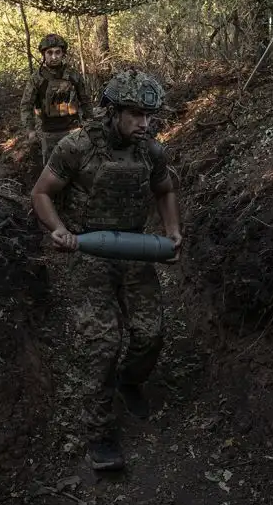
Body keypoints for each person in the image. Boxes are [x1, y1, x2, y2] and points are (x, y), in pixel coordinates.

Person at [30, 70, 183, 471]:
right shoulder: (76, 146)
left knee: (151, 333)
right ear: (113, 112)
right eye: (135, 114)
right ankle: (99, 433)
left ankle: (130, 382)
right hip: (90, 253)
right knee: (101, 344)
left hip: (135, 249)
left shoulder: (150, 151)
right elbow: (42, 193)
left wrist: (172, 231)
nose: (144, 124)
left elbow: (164, 190)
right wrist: (60, 230)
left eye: (149, 115)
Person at [19, 33, 88, 173]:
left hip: (73, 130)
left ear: (63, 54)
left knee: (77, 170)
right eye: (49, 53)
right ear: (44, 55)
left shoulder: (73, 75)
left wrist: (89, 121)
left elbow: (85, 100)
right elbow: (26, 105)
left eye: (58, 52)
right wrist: (30, 130)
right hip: (49, 132)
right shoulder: (37, 78)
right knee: (51, 172)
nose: (54, 56)